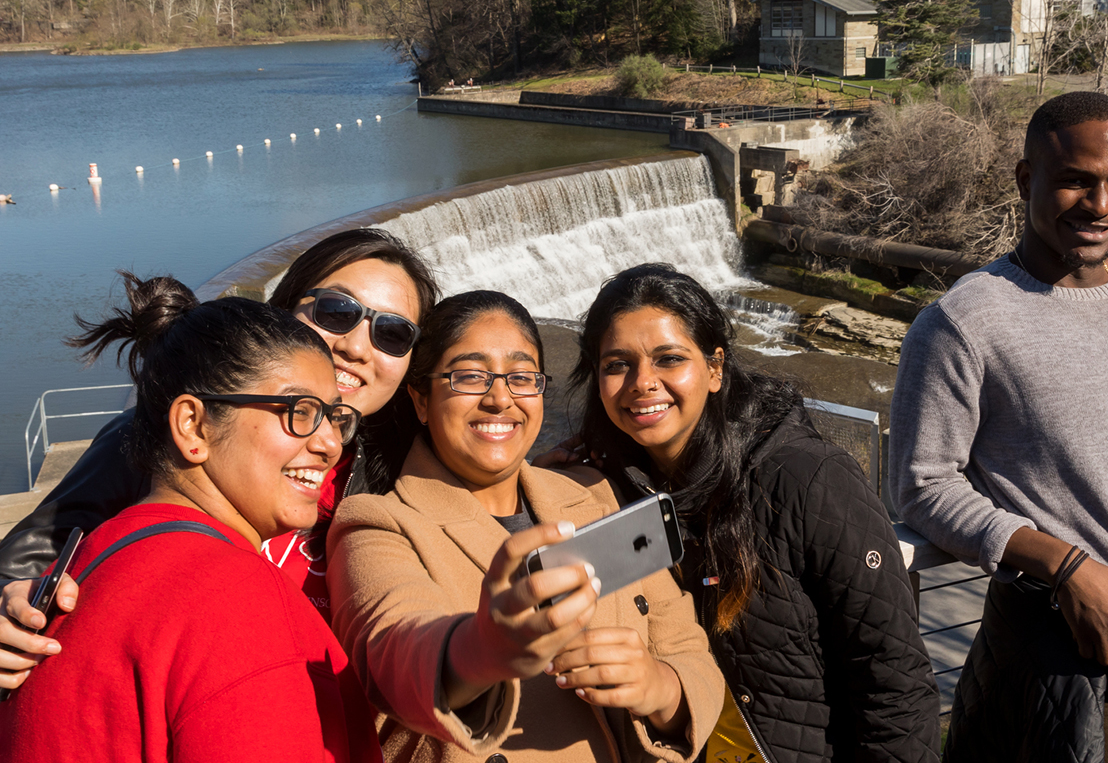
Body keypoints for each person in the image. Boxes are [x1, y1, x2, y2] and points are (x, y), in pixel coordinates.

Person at [889, 91, 1108, 761]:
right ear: (1027, 181)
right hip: (1075, 654)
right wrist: (1066, 567)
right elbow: (921, 485)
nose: (1100, 205)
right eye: (1074, 181)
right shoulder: (962, 323)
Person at [0, 227, 438, 689]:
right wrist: (11, 611)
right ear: (284, 308)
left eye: (392, 333)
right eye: (337, 311)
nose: (355, 346)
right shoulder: (161, 438)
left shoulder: (398, 472)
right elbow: (28, 559)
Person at [326, 290, 724, 763]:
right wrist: (478, 649)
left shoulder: (591, 495)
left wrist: (661, 689)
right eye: (470, 375)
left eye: (521, 377)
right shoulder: (378, 526)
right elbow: (392, 650)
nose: (500, 399)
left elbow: (687, 646)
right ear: (420, 400)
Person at [0, 273, 382, 762]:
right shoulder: (232, 599)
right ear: (193, 425)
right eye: (300, 411)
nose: (330, 444)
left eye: (335, 417)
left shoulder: (98, 553)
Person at [568, 263, 940, 763]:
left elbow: (893, 685)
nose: (642, 382)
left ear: (715, 368)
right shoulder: (610, 490)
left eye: (669, 358)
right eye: (617, 364)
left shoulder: (808, 479)